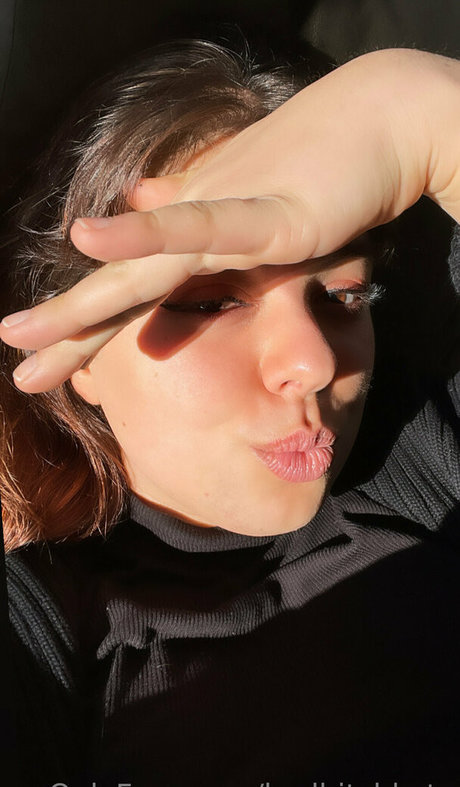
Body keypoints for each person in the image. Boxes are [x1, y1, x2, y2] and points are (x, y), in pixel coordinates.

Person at [0, 41, 459, 786]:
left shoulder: (430, 466)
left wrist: (424, 112)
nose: (314, 362)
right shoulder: (45, 630)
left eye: (346, 295)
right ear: (78, 353)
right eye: (211, 302)